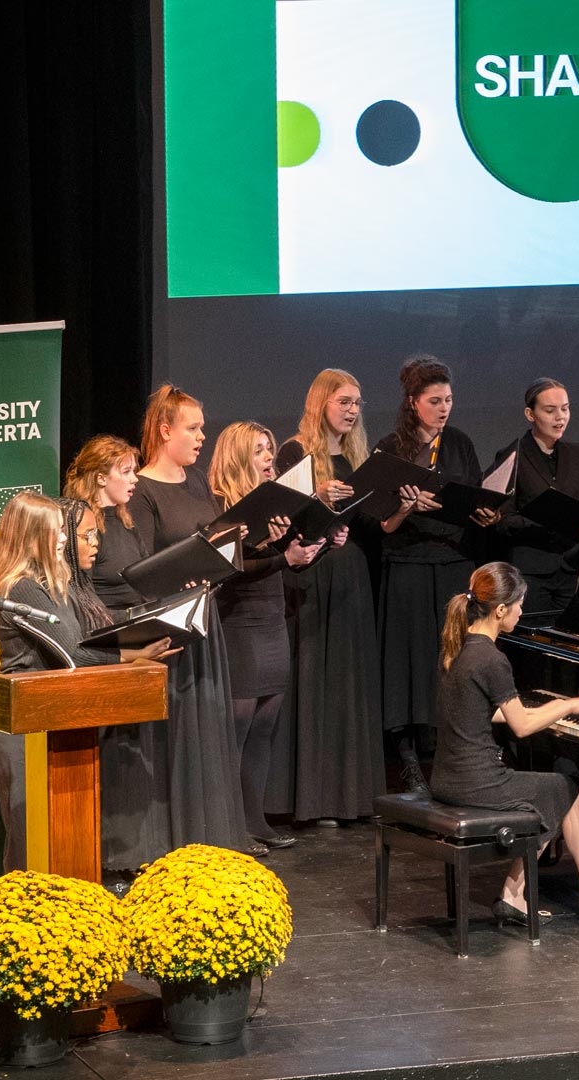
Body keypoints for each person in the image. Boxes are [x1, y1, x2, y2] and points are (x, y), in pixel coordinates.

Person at [432, 561, 579, 921]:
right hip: (477, 783)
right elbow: (521, 726)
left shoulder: (459, 646)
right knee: (567, 788)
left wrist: (541, 709)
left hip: (447, 778)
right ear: (501, 610)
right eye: (518, 605)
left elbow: (478, 712)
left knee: (549, 792)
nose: (521, 612)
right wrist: (569, 704)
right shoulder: (491, 658)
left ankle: (515, 895)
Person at [0, 493, 174, 873]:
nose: (63, 539)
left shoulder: (50, 582)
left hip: (53, 720)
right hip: (25, 726)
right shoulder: (20, 589)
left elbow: (79, 643)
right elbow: (75, 655)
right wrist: (135, 656)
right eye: (54, 531)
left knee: (60, 834)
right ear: (30, 534)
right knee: (30, 838)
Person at [132, 384, 255, 852]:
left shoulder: (198, 480)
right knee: (177, 730)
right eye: (193, 428)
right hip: (171, 625)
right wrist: (180, 576)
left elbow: (207, 542)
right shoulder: (142, 490)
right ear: (166, 431)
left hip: (207, 618)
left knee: (208, 725)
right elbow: (140, 567)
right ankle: (173, 840)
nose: (203, 436)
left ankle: (210, 838)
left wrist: (231, 541)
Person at [272, 369, 386, 827]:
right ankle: (315, 801)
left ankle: (352, 797)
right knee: (315, 680)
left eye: (357, 402)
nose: (352, 410)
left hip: (350, 572)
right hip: (313, 574)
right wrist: (317, 500)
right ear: (321, 402)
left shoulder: (359, 455)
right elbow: (278, 515)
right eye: (343, 401)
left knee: (347, 683)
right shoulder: (295, 451)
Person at [209, 421, 326, 851]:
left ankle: (255, 819)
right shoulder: (221, 505)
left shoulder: (275, 504)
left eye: (270, 450)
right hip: (239, 624)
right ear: (239, 456)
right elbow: (229, 569)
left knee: (264, 727)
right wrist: (280, 556)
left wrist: (314, 548)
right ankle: (230, 825)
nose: (268, 459)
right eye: (259, 451)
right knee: (238, 728)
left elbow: (286, 561)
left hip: (272, 620)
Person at [374, 356, 488, 794]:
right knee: (409, 661)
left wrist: (483, 511)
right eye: (435, 401)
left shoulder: (459, 442)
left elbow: (474, 493)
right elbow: (382, 523)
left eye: (449, 400)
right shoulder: (391, 447)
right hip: (408, 564)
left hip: (453, 561)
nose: (444, 408)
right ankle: (407, 757)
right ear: (412, 402)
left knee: (452, 659)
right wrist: (404, 505)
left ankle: (451, 750)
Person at [64, 434, 172, 873]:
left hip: (136, 628)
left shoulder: (126, 519)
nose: (134, 479)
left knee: (135, 750)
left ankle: (135, 852)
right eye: (126, 471)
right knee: (111, 748)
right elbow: (80, 589)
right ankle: (106, 856)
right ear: (99, 477)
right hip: (109, 638)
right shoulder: (84, 525)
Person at [493, 378, 579, 611]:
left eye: (565, 409)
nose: (560, 417)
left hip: (574, 566)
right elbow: (502, 519)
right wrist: (544, 519)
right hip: (530, 571)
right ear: (530, 413)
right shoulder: (512, 455)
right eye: (550, 410)